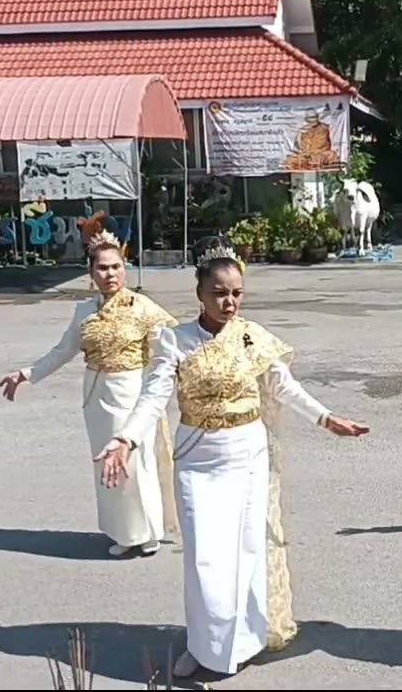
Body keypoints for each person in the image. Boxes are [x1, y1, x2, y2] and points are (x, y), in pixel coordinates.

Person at [97, 236, 370, 679]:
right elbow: (153, 399)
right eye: (219, 293)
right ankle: (203, 646)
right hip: (198, 456)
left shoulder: (252, 336)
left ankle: (243, 640)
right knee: (204, 557)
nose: (229, 302)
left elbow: (284, 386)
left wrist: (326, 419)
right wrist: (125, 439)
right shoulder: (175, 340)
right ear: (200, 293)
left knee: (244, 552)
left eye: (237, 293)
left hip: (247, 453)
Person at [0, 230, 179, 558]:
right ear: (91, 273)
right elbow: (63, 351)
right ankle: (123, 531)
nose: (109, 274)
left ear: (125, 268)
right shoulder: (84, 312)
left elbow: (172, 350)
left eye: (115, 267)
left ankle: (148, 531)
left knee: (137, 463)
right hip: (97, 394)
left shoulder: (144, 308)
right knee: (106, 465)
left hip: (133, 391)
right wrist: (26, 374)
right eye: (102, 268)